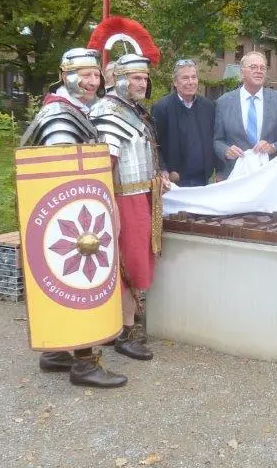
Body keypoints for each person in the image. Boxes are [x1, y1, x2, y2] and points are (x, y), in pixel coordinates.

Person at [20, 47, 127, 389]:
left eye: (96, 74)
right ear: (65, 75)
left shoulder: (75, 110)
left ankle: (55, 353)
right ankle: (84, 362)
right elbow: (66, 178)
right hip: (72, 223)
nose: (93, 81)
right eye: (85, 75)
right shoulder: (60, 117)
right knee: (80, 279)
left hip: (71, 218)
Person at [90, 54, 170, 362]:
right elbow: (105, 165)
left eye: (145, 78)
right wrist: (109, 205)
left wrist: (158, 176)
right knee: (128, 262)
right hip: (124, 197)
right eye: (136, 78)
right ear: (120, 79)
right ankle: (124, 331)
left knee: (139, 259)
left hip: (143, 193)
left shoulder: (131, 109)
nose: (143, 83)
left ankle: (126, 322)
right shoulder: (108, 111)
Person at [214, 51, 277, 178]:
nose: (259, 71)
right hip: (235, 175)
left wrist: (273, 147)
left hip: (269, 175)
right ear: (242, 72)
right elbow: (216, 140)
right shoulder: (223, 102)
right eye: (253, 67)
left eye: (262, 68)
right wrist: (226, 151)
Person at [151, 59, 216, 187]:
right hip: (174, 181)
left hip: (203, 180)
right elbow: (153, 143)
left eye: (194, 77)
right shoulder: (162, 107)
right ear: (175, 82)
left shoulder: (208, 106)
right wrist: (163, 169)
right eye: (185, 78)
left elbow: (214, 138)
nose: (191, 82)